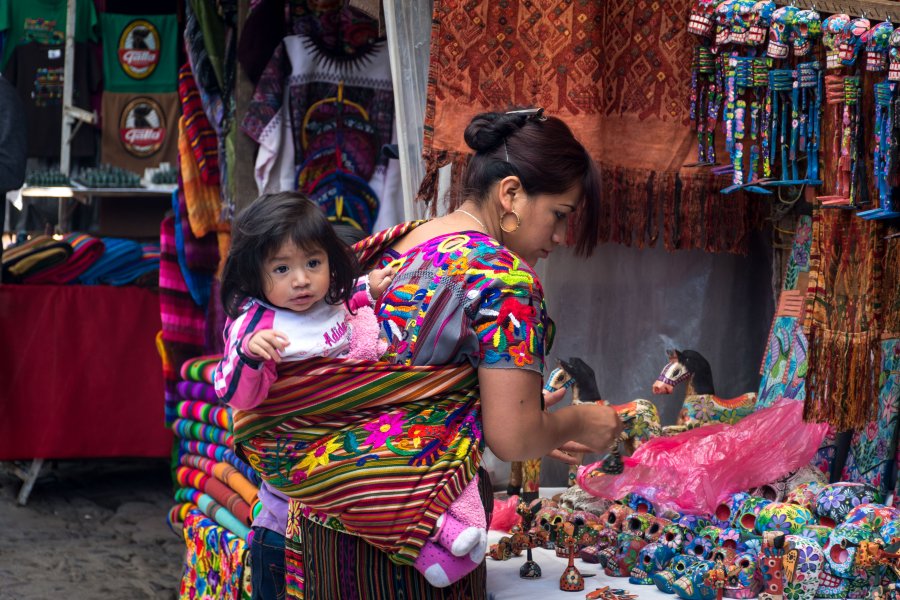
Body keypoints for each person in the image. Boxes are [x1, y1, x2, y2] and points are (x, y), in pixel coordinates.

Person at [285, 107, 624, 599]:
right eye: (560, 215)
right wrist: (579, 422)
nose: (560, 238)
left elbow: (405, 386)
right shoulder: (503, 278)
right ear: (510, 193)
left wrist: (522, 417)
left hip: (325, 511)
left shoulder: (397, 242)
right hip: (417, 533)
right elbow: (514, 437)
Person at [213, 193, 397, 600]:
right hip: (285, 524)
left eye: (313, 263)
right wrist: (250, 356)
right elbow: (236, 395)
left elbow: (345, 307)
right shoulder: (257, 326)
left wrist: (368, 288)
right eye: (282, 268)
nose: (301, 279)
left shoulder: (328, 298)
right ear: (253, 273)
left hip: (346, 515)